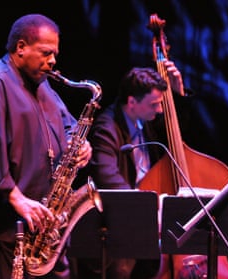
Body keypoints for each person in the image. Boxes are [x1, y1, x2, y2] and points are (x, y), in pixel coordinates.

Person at [0, 13, 92, 279]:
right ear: (21, 48)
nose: (53, 61)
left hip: (41, 227)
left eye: (55, 53)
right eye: (46, 53)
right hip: (4, 229)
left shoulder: (43, 86)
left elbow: (68, 125)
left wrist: (81, 145)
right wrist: (16, 197)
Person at [76, 62, 184, 279]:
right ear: (132, 102)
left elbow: (179, 134)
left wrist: (178, 92)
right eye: (154, 104)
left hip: (147, 224)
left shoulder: (147, 119)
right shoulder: (106, 128)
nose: (160, 110)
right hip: (119, 228)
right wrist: (146, 210)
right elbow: (109, 179)